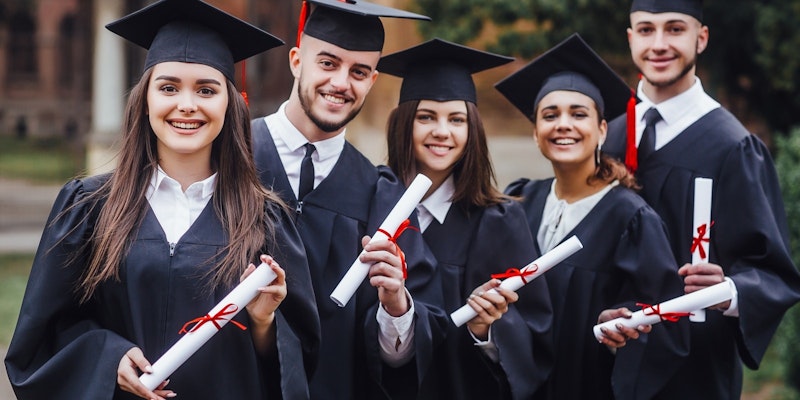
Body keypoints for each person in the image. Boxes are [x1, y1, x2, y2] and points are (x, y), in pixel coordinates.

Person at [4, 1, 320, 399]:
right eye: (168, 87)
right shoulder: (89, 208)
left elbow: (298, 366)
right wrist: (107, 358)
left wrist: (262, 322)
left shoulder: (266, 221)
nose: (186, 104)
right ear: (146, 100)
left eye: (206, 89)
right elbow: (42, 337)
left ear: (230, 102)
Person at [250, 1, 447, 399]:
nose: (341, 83)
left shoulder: (381, 196)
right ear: (296, 61)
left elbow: (409, 353)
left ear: (372, 81)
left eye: (358, 72)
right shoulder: (231, 158)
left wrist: (396, 306)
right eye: (328, 63)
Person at [603, 1, 800, 398]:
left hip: (693, 371)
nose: (658, 44)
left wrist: (728, 288)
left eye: (675, 29)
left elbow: (773, 272)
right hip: (607, 357)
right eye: (646, 30)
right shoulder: (608, 137)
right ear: (630, 39)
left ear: (701, 37)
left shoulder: (733, 146)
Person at [496, 33, 689, 400]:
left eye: (578, 114)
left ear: (602, 129)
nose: (563, 124)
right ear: (536, 134)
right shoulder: (519, 202)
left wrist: (624, 327)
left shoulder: (631, 219)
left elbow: (666, 320)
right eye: (549, 116)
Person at [379, 38, 554, 400]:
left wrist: (485, 330)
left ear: (471, 129)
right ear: (403, 124)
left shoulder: (499, 221)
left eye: (456, 119)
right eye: (426, 117)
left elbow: (535, 334)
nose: (442, 132)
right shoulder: (373, 205)